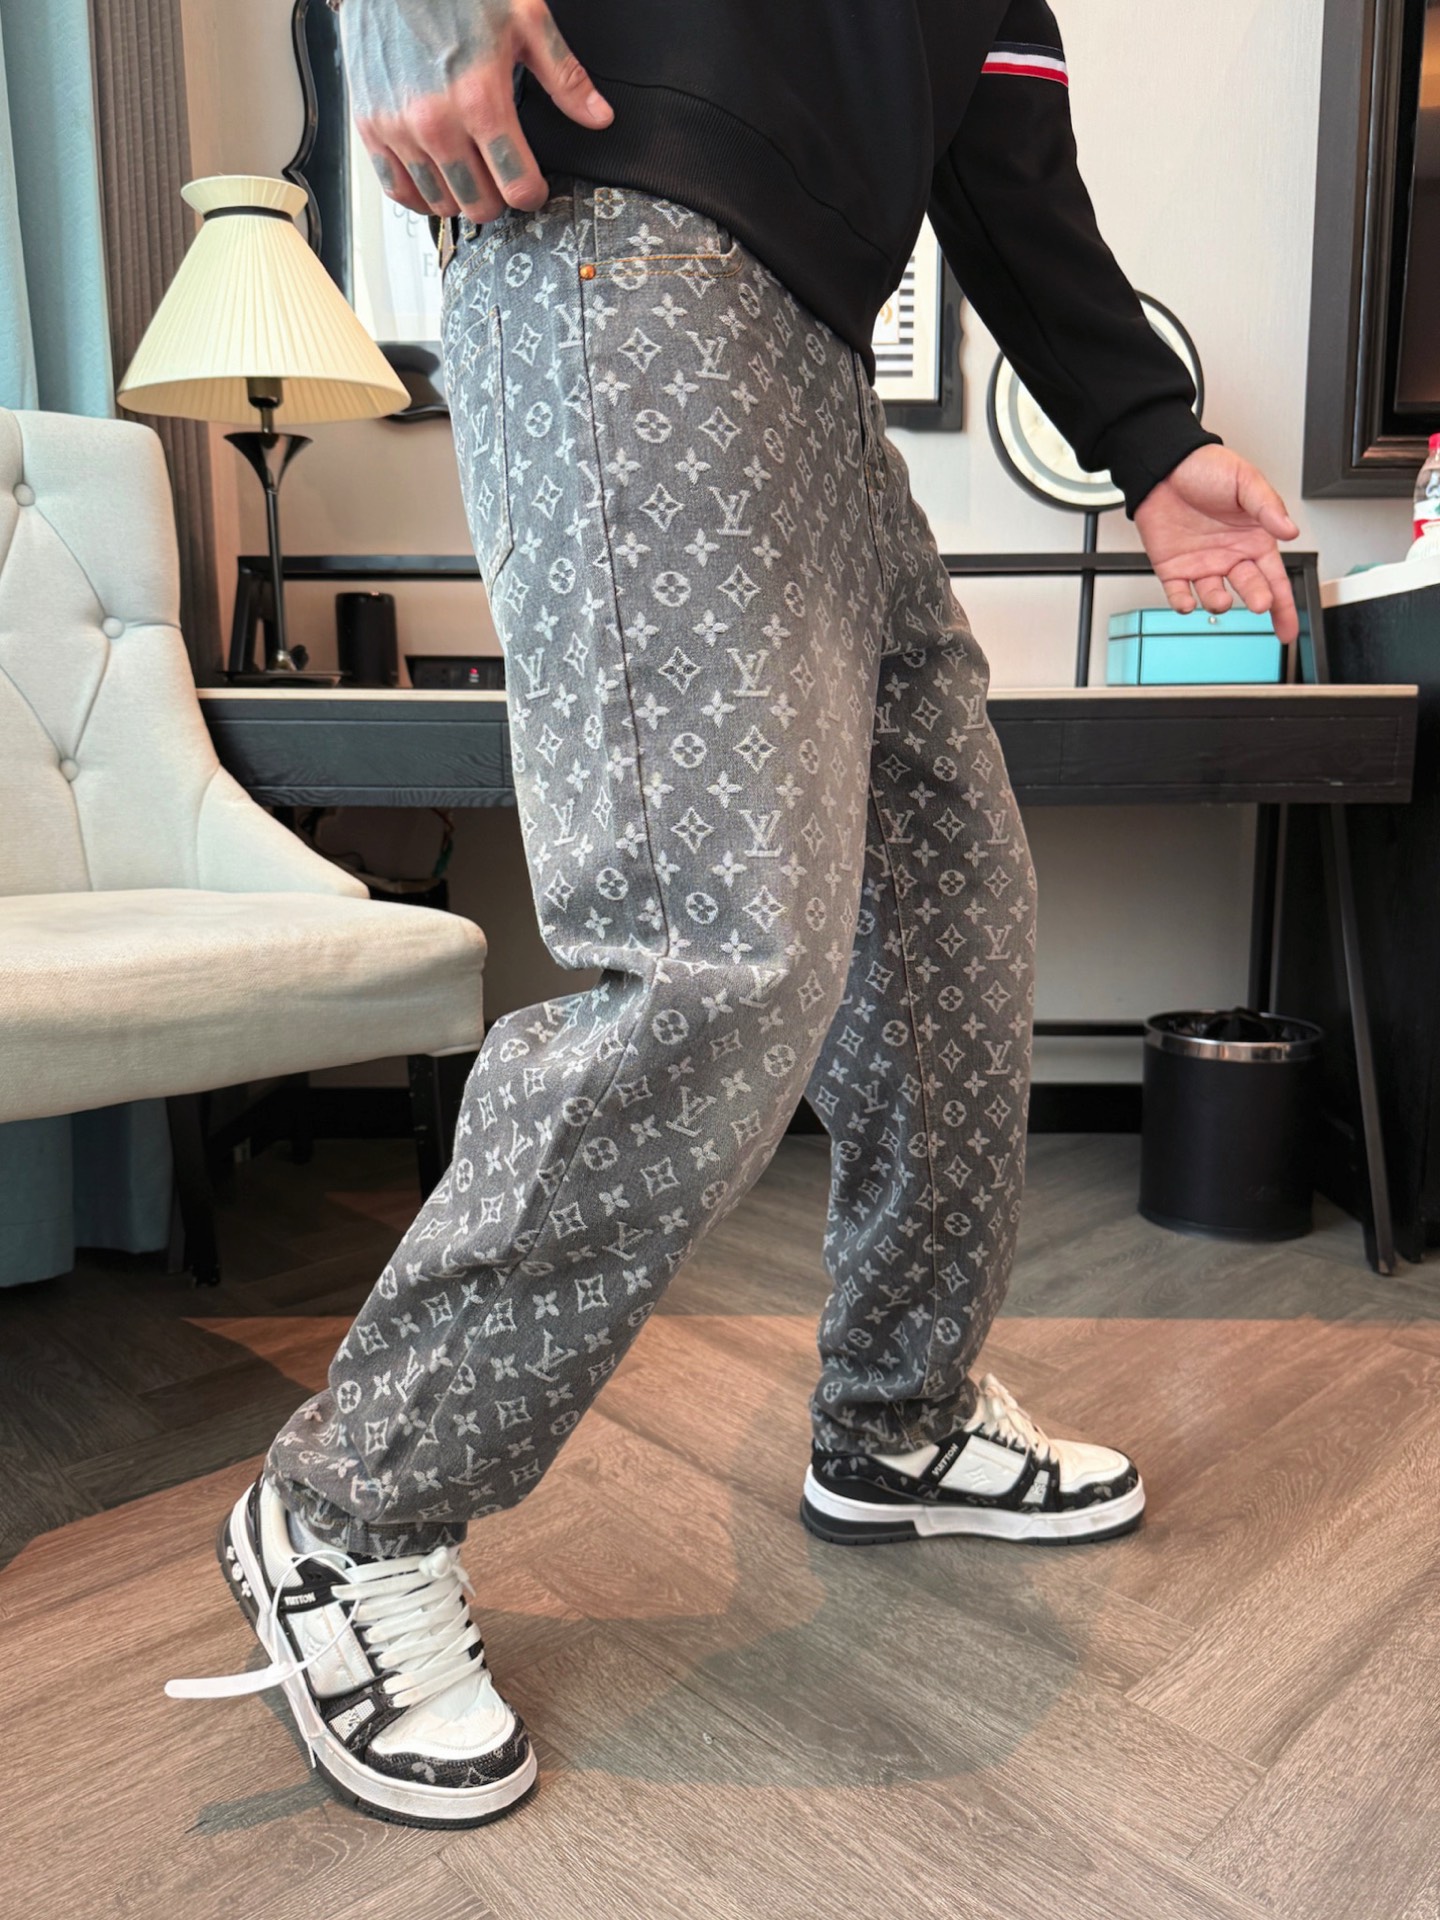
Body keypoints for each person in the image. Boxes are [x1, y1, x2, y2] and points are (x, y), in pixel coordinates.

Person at [170, 0, 1302, 1829]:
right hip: (626, 243)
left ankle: (899, 1418)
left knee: (949, 917)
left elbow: (1002, 150)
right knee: (722, 946)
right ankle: (350, 1510)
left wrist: (1149, 439)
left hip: (818, 361)